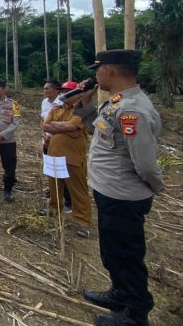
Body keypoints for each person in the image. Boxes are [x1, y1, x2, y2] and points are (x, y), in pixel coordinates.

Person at [75, 50, 164, 326]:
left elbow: (146, 163)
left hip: (123, 195)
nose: (96, 74)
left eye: (98, 69)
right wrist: (84, 102)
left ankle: (136, 314)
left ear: (110, 70)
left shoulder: (132, 109)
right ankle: (121, 293)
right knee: (114, 251)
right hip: (110, 191)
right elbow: (99, 131)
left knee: (126, 254)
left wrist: (156, 186)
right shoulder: (118, 102)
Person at [40, 81, 92, 238]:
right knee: (55, 185)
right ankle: (54, 208)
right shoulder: (56, 108)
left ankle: (83, 222)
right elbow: (45, 126)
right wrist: (66, 128)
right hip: (54, 154)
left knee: (78, 190)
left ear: (77, 95)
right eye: (62, 91)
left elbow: (72, 125)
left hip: (73, 157)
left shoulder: (82, 110)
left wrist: (59, 126)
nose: (64, 94)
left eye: (68, 91)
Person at [41, 80, 72, 211]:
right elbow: (43, 121)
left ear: (55, 90)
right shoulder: (44, 102)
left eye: (47, 88)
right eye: (44, 88)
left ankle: (68, 201)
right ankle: (54, 197)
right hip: (47, 141)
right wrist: (44, 135)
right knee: (51, 170)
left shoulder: (63, 103)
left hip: (60, 142)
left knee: (63, 171)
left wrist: (51, 129)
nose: (45, 91)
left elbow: (67, 126)